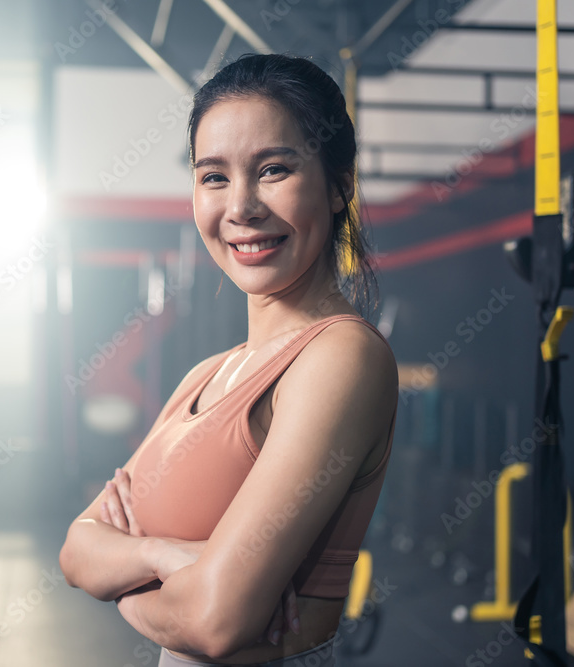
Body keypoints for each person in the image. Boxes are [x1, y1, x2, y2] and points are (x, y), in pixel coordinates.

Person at [59, 53, 398, 666]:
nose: (240, 206)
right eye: (213, 176)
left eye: (272, 170)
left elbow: (214, 623)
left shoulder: (340, 356)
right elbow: (76, 550)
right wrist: (165, 560)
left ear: (340, 181)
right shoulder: (207, 375)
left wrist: (125, 586)